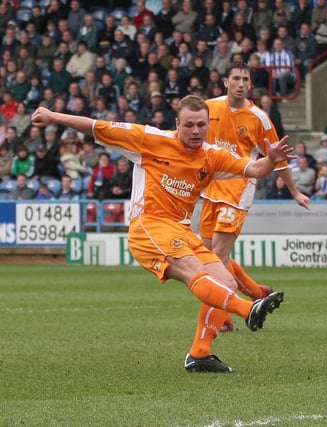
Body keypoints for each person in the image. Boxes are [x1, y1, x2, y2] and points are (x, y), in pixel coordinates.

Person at [31, 96, 291, 373]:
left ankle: (199, 354)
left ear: (208, 126)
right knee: (193, 270)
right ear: (177, 123)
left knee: (226, 281)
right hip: (149, 225)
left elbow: (254, 169)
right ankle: (246, 309)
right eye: (189, 125)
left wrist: (272, 160)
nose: (195, 131)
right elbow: (97, 126)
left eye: (201, 125)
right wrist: (54, 116)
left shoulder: (212, 155)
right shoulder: (149, 139)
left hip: (181, 229)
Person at [199, 63, 310, 337]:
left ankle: (220, 318)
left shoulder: (258, 117)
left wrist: (294, 191)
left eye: (244, 79)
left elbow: (278, 156)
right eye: (235, 78)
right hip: (209, 188)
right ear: (225, 81)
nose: (240, 83)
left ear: (249, 84)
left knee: (216, 258)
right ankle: (256, 292)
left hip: (238, 190)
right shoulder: (208, 108)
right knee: (207, 258)